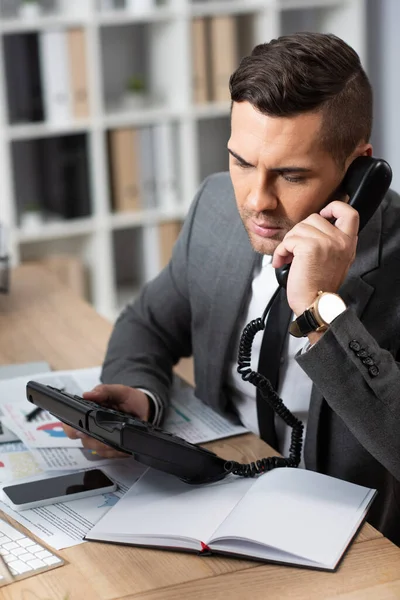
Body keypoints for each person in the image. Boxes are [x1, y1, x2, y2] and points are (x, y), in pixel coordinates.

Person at [64, 32, 400, 546]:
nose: (256, 200)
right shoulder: (218, 208)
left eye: (290, 174)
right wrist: (141, 398)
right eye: (242, 162)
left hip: (355, 541)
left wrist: (319, 308)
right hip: (213, 499)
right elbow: (148, 323)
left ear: (358, 170)